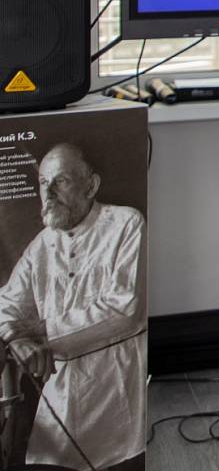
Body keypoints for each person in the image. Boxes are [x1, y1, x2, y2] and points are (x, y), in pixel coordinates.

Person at [0, 143, 147, 471]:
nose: (48, 193)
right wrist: (18, 339)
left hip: (117, 384)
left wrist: (39, 331)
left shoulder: (126, 223)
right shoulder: (42, 243)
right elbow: (6, 303)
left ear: (90, 186)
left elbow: (125, 310)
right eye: (43, 182)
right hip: (61, 389)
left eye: (61, 181)